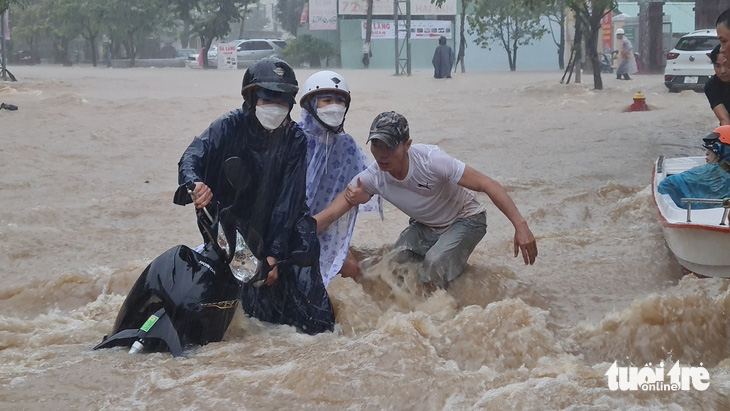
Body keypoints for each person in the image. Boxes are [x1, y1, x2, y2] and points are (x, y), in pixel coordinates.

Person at [173, 58, 335, 335]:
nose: (275, 107)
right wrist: (195, 184)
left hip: (282, 229)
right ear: (251, 98)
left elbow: (289, 200)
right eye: (267, 98)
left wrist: (273, 256)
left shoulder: (295, 139)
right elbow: (192, 157)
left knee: (304, 250)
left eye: (283, 101)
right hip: (235, 223)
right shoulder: (228, 126)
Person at [314, 111, 538, 291]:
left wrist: (520, 225)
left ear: (407, 145)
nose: (382, 154)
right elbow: (334, 210)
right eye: (376, 145)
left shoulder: (433, 162)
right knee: (393, 265)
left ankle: (440, 312)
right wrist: (303, 230)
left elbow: (488, 184)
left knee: (432, 266)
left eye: (389, 146)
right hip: (426, 225)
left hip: (466, 219)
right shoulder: (373, 176)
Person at [297, 70, 381, 286]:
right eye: (327, 100)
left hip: (324, 227)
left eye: (340, 101)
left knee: (351, 270)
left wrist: (364, 193)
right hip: (286, 229)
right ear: (312, 104)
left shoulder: (348, 146)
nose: (335, 106)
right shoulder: (291, 140)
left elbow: (371, 182)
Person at [658, 125, 730, 209]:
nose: (707, 153)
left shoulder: (708, 172)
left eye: (710, 149)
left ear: (722, 150)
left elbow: (667, 184)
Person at [704, 44, 730, 126]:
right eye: (717, 66)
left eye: (727, 65)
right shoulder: (711, 86)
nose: (723, 71)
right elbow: (724, 119)